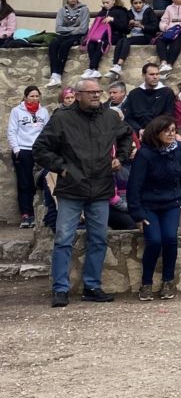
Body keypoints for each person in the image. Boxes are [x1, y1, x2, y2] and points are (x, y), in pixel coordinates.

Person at [34, 77, 133, 308]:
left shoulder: (110, 117)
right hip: (72, 189)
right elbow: (40, 149)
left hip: (101, 188)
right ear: (77, 95)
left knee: (98, 239)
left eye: (99, 91)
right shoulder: (62, 119)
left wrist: (121, 157)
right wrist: (62, 168)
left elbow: (127, 135)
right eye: (91, 92)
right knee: (63, 240)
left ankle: (92, 286)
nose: (97, 95)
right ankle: (60, 289)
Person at [127, 115, 181, 301]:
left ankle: (168, 281)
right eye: (166, 131)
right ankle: (146, 283)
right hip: (149, 205)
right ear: (157, 133)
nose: (171, 134)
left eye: (173, 130)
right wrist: (137, 212)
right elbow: (135, 185)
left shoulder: (180, 149)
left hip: (171, 202)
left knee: (170, 238)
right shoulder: (145, 154)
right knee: (154, 241)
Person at [8, 85, 50, 228]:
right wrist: (16, 149)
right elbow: (12, 131)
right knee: (24, 183)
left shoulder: (43, 112)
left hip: (39, 150)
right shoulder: (17, 111)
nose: (34, 98)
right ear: (26, 97)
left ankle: (41, 214)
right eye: (31, 96)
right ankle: (26, 214)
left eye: (37, 96)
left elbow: (47, 131)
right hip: (23, 151)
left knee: (40, 182)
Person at [46, 0, 89, 88]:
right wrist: (74, 29)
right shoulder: (62, 10)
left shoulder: (84, 9)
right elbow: (58, 28)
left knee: (65, 46)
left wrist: (69, 29)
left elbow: (83, 29)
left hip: (78, 36)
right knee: (53, 45)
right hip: (64, 35)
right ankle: (54, 74)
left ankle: (59, 74)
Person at [82, 0, 130, 79]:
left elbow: (125, 29)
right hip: (101, 36)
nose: (105, 4)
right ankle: (94, 70)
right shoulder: (101, 13)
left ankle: (92, 67)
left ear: (114, 1)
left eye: (107, 2)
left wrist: (113, 20)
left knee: (102, 43)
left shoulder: (121, 11)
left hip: (115, 35)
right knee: (91, 43)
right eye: (103, 3)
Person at [124, 62, 175, 134]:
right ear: (143, 75)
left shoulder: (167, 92)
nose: (155, 77)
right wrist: (139, 130)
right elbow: (129, 117)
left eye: (157, 74)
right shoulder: (133, 94)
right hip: (138, 133)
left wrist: (152, 130)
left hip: (160, 132)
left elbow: (168, 115)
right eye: (151, 74)